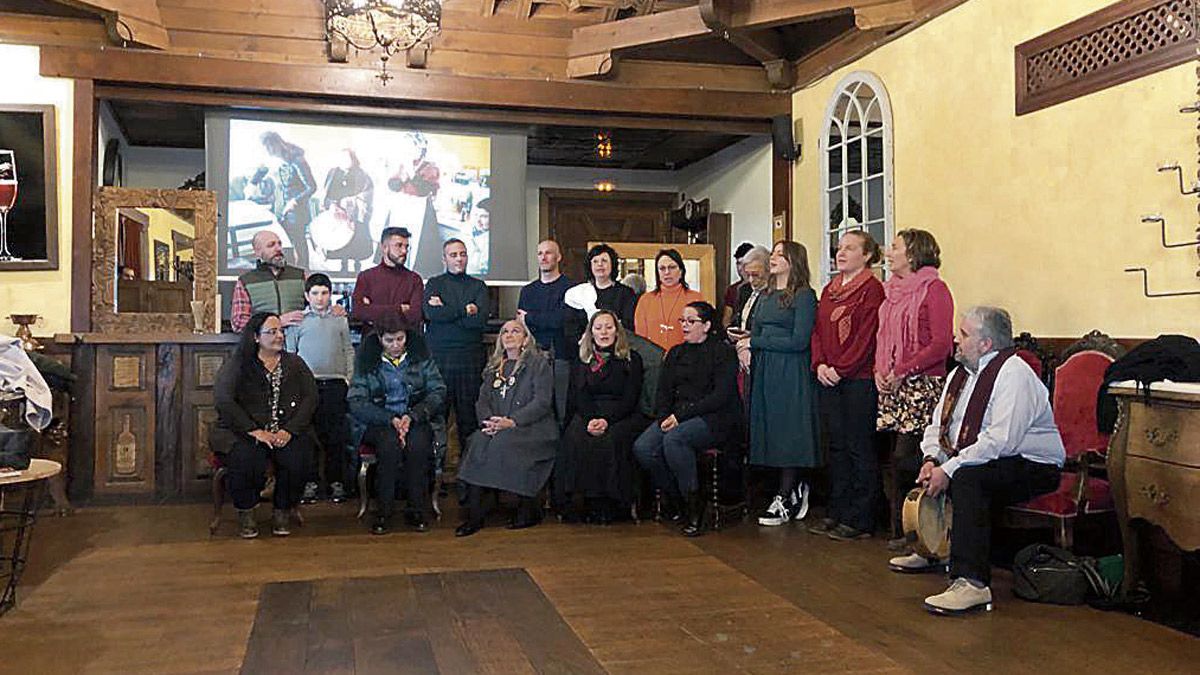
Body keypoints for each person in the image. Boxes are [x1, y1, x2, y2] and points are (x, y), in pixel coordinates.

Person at [889, 306, 1063, 615]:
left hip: (1033, 464)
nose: (957, 339)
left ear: (986, 344)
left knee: (969, 478)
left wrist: (950, 468)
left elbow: (1001, 441)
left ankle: (972, 583)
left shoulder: (1013, 373)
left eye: (965, 334)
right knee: (906, 462)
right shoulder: (959, 374)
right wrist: (932, 459)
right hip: (987, 455)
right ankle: (933, 548)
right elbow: (938, 425)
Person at [875, 229, 954, 550]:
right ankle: (899, 529)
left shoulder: (935, 289)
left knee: (909, 458)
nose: (888, 252)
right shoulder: (891, 291)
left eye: (895, 247)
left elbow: (941, 344)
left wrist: (903, 370)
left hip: (923, 385)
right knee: (892, 460)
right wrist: (879, 371)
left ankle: (919, 530)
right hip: (894, 386)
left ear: (913, 254)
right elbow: (882, 338)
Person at [633, 301, 739, 537]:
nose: (685, 326)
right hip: (676, 415)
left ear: (707, 325)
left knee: (674, 440)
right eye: (683, 321)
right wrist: (663, 416)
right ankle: (677, 496)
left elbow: (720, 397)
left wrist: (679, 417)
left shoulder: (722, 352)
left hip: (713, 417)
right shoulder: (676, 353)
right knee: (643, 447)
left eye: (691, 321)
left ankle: (694, 507)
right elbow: (664, 391)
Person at [212, 312, 318, 539]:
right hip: (244, 431)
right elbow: (224, 400)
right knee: (246, 457)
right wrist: (254, 431)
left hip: (285, 430)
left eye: (281, 331)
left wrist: (289, 430)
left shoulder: (295, 363)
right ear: (256, 337)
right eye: (272, 332)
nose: (279, 336)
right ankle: (246, 512)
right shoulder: (239, 364)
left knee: (298, 457)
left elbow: (311, 398)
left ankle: (283, 510)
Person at [809, 231, 886, 540]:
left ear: (866, 255)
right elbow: (818, 332)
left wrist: (842, 368)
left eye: (850, 248)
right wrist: (821, 364)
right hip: (830, 377)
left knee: (858, 447)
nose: (841, 253)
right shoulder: (829, 289)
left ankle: (862, 518)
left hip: (858, 380)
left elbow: (868, 337)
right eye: (839, 247)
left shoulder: (871, 289)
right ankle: (836, 511)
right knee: (836, 447)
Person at [739, 241, 820, 527]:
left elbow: (799, 341)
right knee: (770, 430)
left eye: (779, 254)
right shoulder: (765, 295)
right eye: (772, 254)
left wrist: (756, 343)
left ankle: (786, 493)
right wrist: (745, 347)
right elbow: (754, 331)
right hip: (766, 369)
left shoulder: (804, 296)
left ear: (793, 261)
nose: (772, 259)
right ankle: (785, 489)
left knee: (789, 431)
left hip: (790, 370)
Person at [455, 319, 559, 537]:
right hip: (497, 426)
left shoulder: (538, 364)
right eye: (504, 332)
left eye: (515, 331)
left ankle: (528, 510)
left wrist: (512, 421)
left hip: (532, 427)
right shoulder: (494, 367)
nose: (509, 335)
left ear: (525, 339)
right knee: (478, 441)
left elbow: (541, 402)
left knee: (505, 443)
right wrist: (489, 422)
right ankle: (475, 514)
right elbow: (482, 401)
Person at [347, 313, 446, 535]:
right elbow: (357, 401)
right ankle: (384, 510)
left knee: (418, 446)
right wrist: (389, 419)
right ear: (379, 339)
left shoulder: (421, 357)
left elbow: (438, 391)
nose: (395, 345)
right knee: (389, 447)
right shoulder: (367, 361)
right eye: (389, 340)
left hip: (416, 417)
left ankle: (416, 509)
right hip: (379, 421)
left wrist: (414, 415)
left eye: (400, 339)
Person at [557, 310, 645, 524]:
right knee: (575, 437)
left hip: (620, 414)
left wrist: (606, 420)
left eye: (608, 327)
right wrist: (591, 419)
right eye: (598, 328)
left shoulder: (631, 359)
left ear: (617, 331)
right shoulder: (582, 359)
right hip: (588, 412)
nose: (604, 332)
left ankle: (611, 504)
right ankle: (582, 502)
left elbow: (630, 398)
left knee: (610, 440)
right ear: (591, 332)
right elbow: (578, 394)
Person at [285, 273, 355, 505]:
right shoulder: (299, 322)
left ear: (330, 294)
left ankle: (336, 482)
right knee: (308, 437)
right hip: (308, 386)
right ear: (307, 296)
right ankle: (310, 483)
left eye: (324, 293)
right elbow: (291, 354)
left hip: (335, 384)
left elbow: (348, 350)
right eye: (315, 293)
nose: (320, 298)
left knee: (335, 437)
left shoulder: (339, 320)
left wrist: (348, 378)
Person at [424, 239, 490, 458]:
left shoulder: (478, 286)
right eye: (453, 255)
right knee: (437, 420)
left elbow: (478, 322)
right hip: (440, 361)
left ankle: (470, 482)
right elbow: (432, 315)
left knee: (469, 421)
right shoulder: (434, 284)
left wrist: (447, 311)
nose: (459, 259)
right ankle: (435, 478)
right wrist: (464, 310)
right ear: (444, 259)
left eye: (462, 254)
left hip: (470, 361)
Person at [230, 230, 340, 333]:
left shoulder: (300, 276)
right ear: (257, 252)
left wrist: (333, 310)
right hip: (264, 348)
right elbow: (238, 323)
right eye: (271, 245)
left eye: (279, 244)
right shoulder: (246, 281)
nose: (278, 248)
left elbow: (319, 308)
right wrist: (277, 322)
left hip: (299, 343)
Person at [519, 240, 574, 422]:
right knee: (534, 407)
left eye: (548, 253)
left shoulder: (571, 289)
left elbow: (561, 321)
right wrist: (540, 320)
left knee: (561, 410)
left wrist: (532, 318)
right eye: (540, 253)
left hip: (562, 357)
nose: (543, 257)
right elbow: (522, 326)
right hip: (533, 357)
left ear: (558, 257)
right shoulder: (527, 291)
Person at [260, 130, 316, 269]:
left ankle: (303, 276)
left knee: (299, 245)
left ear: (278, 144)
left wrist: (294, 201)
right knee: (284, 247)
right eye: (266, 147)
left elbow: (312, 187)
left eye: (270, 146)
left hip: (296, 212)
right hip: (282, 212)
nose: (269, 150)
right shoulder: (279, 163)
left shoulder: (298, 161)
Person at [351, 226, 424, 332]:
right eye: (399, 246)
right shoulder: (366, 277)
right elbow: (358, 312)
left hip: (404, 343)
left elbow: (415, 316)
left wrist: (373, 311)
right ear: (384, 247)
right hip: (372, 343)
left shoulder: (414, 279)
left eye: (406, 246)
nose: (404, 251)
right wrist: (399, 309)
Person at [564, 243, 637, 347]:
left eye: (604, 261)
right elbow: (570, 327)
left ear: (613, 264)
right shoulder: (580, 293)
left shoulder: (625, 293)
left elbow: (628, 325)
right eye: (595, 261)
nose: (599, 264)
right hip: (586, 351)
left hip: (618, 349)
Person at [634, 248, 705, 352]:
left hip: (687, 359)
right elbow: (640, 339)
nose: (667, 272)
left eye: (672, 267)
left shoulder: (696, 298)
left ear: (681, 271)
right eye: (662, 268)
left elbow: (701, 334)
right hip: (653, 361)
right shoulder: (645, 300)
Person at [320, 148, 374, 269]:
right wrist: (333, 204)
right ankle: (343, 264)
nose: (345, 161)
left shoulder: (361, 174)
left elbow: (367, 194)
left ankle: (357, 264)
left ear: (354, 159)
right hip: (337, 213)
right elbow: (326, 192)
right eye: (342, 158)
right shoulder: (333, 173)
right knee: (341, 241)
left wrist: (350, 202)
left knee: (356, 241)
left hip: (355, 215)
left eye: (348, 158)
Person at [728, 246, 770, 332]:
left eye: (755, 275)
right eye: (747, 274)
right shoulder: (743, 289)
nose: (751, 280)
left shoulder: (774, 293)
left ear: (768, 270)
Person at [721, 242, 755, 326]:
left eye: (744, 263)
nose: (740, 268)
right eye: (738, 263)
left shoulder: (763, 288)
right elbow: (726, 320)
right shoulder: (733, 289)